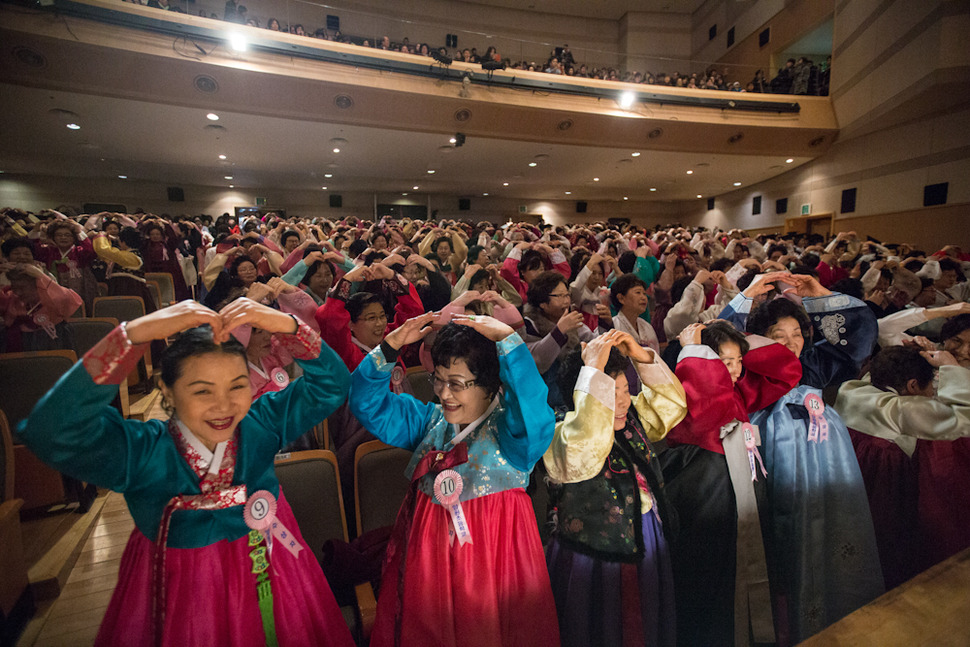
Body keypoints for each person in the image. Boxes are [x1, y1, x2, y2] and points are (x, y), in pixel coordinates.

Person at [17, 299, 354, 647]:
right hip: (182, 589)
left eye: (237, 386)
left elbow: (332, 385)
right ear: (166, 389)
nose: (223, 406)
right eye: (202, 390)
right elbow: (52, 431)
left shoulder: (261, 424)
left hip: (272, 565)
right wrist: (134, 335)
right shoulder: (143, 452)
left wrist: (288, 325)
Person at [349, 313, 559, 647]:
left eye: (457, 384)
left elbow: (534, 412)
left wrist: (509, 341)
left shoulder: (513, 437)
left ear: (490, 385)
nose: (444, 394)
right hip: (428, 564)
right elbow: (367, 403)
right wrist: (389, 348)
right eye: (438, 380)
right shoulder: (429, 423)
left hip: (492, 564)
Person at [721, 271, 884, 642]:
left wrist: (820, 294)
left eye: (797, 334)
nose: (791, 343)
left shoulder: (814, 362)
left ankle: (837, 608)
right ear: (761, 339)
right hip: (771, 448)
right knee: (780, 528)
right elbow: (719, 340)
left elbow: (860, 332)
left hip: (825, 449)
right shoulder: (750, 368)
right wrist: (745, 296)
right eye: (779, 336)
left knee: (832, 519)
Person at [662, 320, 801, 647]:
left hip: (740, 491)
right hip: (710, 493)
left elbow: (788, 370)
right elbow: (711, 399)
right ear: (706, 364)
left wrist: (731, 331)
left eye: (739, 360)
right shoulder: (696, 394)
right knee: (711, 578)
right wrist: (695, 350)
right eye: (726, 361)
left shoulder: (735, 390)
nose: (736, 369)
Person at [544, 330, 686, 647]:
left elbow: (671, 405)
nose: (622, 401)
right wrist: (593, 368)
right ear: (583, 394)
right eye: (610, 393)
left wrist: (640, 355)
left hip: (645, 533)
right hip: (590, 552)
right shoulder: (561, 434)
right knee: (595, 627)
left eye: (624, 390)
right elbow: (587, 446)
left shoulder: (631, 419)